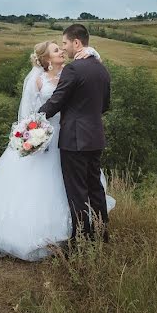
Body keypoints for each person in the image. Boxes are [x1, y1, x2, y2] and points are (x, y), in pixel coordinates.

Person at [0, 38, 115, 261]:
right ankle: (52, 235)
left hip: (69, 135)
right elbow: (31, 112)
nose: (61, 50)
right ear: (46, 59)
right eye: (56, 49)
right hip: (47, 136)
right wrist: (33, 134)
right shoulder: (38, 81)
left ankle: (79, 234)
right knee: (50, 186)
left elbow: (90, 72)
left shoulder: (71, 74)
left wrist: (92, 51)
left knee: (76, 187)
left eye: (63, 46)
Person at [39, 24, 112, 245]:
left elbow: (56, 101)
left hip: (74, 139)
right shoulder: (101, 69)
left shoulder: (73, 69)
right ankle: (101, 235)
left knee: (77, 192)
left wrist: (34, 120)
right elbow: (105, 105)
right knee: (95, 188)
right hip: (95, 136)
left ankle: (80, 241)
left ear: (76, 43)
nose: (64, 48)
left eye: (65, 43)